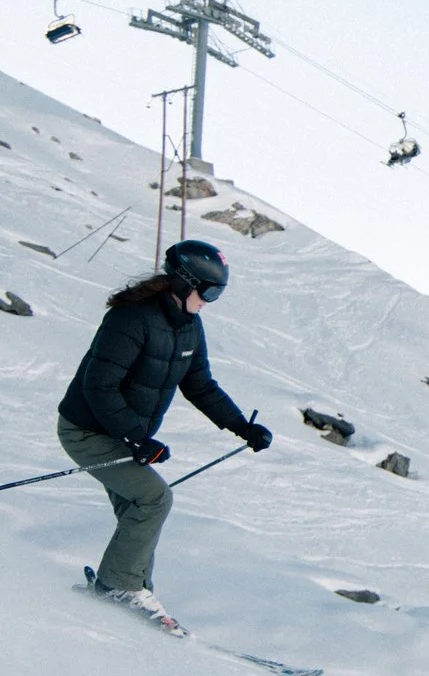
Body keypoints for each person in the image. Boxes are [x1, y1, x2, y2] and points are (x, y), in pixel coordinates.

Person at [56, 239, 272, 626]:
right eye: (209, 291)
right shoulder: (131, 319)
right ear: (184, 282)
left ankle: (130, 587)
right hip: (87, 430)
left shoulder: (189, 326)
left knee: (137, 507)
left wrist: (242, 426)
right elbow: (99, 386)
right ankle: (121, 587)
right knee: (154, 499)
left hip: (122, 433)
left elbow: (200, 385)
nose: (210, 301)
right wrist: (138, 437)